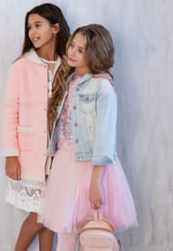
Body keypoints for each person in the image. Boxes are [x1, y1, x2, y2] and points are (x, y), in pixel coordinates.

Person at [38, 24, 137, 251]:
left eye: (80, 50)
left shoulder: (102, 87)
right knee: (65, 231)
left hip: (91, 168)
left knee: (91, 232)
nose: (72, 52)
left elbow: (105, 138)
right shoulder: (69, 80)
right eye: (72, 45)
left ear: (95, 54)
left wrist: (95, 184)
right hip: (65, 164)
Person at [2, 3, 70, 251]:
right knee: (42, 213)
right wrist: (11, 154)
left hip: (61, 152)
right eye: (29, 27)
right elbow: (10, 112)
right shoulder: (21, 66)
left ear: (56, 27)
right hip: (31, 153)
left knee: (51, 215)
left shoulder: (68, 65)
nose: (32, 31)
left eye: (38, 25)